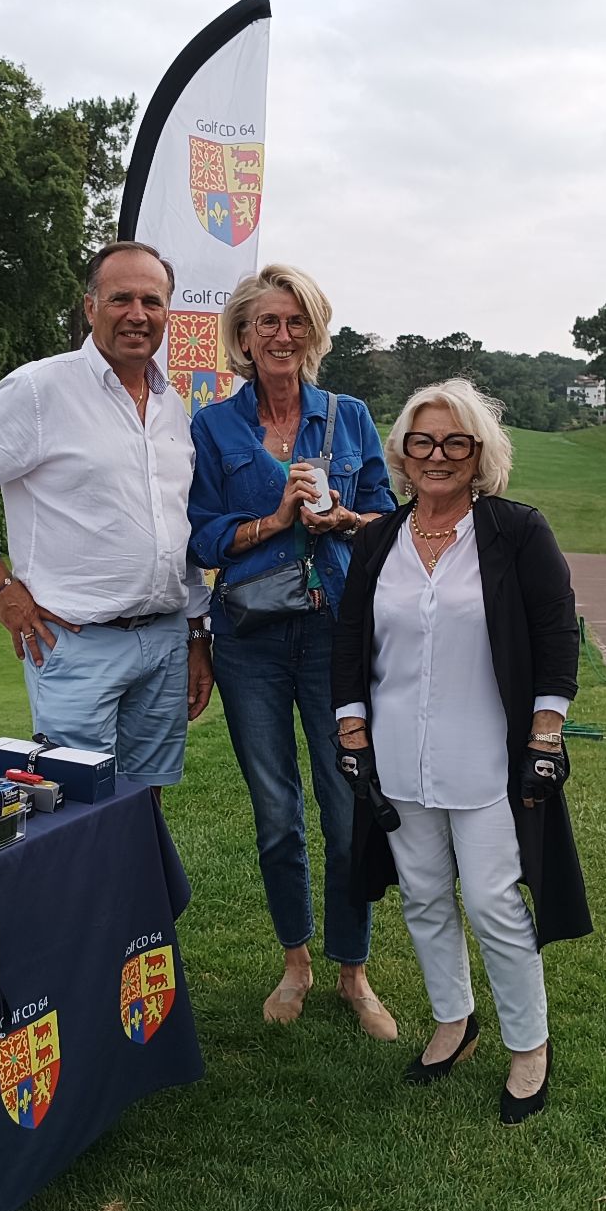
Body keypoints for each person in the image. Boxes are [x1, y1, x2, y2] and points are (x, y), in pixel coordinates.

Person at [331, 378, 592, 1124]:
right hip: (398, 756)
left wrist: (546, 734)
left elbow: (555, 636)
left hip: (486, 758)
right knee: (421, 895)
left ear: (480, 453)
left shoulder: (516, 532)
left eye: (455, 442)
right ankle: (454, 1019)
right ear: (402, 453)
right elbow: (351, 641)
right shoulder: (379, 538)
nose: (437, 455)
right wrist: (352, 732)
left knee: (491, 901)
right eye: (422, 441)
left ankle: (529, 1045)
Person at [187, 264, 400, 1040]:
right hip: (249, 641)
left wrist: (342, 518)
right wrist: (276, 520)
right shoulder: (213, 427)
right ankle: (296, 961)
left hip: (333, 636)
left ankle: (354, 970)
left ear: (314, 332)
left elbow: (387, 519)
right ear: (242, 337)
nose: (282, 335)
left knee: (346, 808)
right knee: (277, 814)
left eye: (296, 321)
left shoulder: (348, 417)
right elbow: (199, 534)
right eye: (267, 322)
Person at [0, 241, 214, 789]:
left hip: (166, 640)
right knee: (77, 806)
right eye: (121, 298)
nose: (138, 314)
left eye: (152, 301)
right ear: (90, 307)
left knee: (147, 800)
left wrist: (197, 633)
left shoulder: (172, 405)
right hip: (76, 645)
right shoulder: (39, 390)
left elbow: (178, 527)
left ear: (168, 312)